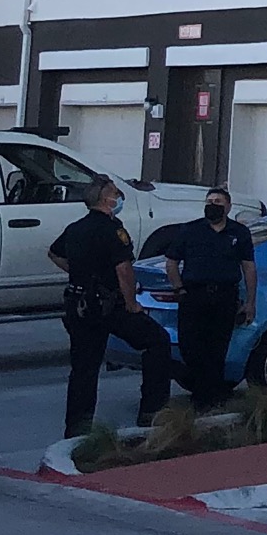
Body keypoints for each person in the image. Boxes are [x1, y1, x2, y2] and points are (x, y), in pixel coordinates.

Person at [48, 176, 175, 439]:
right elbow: (124, 269)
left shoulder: (75, 228)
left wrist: (81, 273)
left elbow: (55, 254)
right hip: (109, 305)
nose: (119, 198)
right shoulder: (113, 229)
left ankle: (76, 432)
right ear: (107, 199)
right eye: (117, 193)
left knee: (84, 370)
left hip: (79, 305)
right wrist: (131, 303)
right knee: (157, 341)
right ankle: (152, 412)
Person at [160, 189, 258, 404]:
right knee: (190, 347)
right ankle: (204, 391)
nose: (213, 204)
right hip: (194, 296)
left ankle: (209, 399)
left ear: (228, 207)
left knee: (217, 348)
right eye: (210, 201)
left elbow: (248, 267)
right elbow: (171, 261)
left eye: (218, 201)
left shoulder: (239, 232)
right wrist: (179, 288)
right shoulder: (191, 230)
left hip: (224, 296)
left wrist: (251, 301)